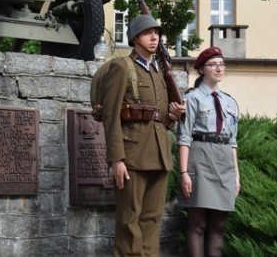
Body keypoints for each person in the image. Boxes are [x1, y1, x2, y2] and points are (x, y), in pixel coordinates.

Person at [101, 14, 186, 257]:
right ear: (135, 38)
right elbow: (111, 115)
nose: (154, 37)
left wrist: (173, 114)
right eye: (149, 33)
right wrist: (116, 159)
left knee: (151, 220)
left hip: (158, 155)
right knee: (129, 221)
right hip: (132, 156)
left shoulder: (159, 73)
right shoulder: (122, 67)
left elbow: (158, 120)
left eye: (157, 33)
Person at [177, 47, 240, 257]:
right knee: (198, 224)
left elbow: (233, 141)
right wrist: (184, 172)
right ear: (202, 70)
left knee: (218, 226)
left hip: (224, 162)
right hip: (200, 159)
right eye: (213, 64)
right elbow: (184, 137)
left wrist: (236, 175)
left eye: (222, 64)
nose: (219, 68)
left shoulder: (230, 102)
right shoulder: (192, 98)